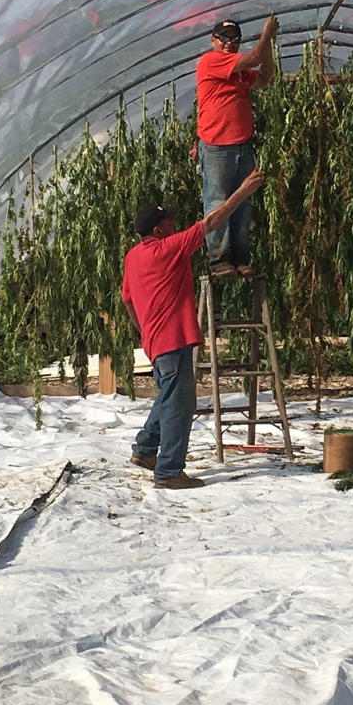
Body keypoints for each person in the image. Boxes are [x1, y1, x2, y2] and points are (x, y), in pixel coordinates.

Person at [122, 169, 265, 489]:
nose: (176, 226)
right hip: (172, 339)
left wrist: (144, 331)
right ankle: (169, 472)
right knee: (179, 404)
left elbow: (127, 300)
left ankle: (146, 450)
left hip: (156, 342)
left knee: (169, 396)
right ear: (158, 230)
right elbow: (210, 223)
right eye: (170, 224)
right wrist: (242, 191)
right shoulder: (168, 249)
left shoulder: (133, 257)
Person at [195, 15, 278, 278]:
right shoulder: (211, 61)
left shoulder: (239, 72)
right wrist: (266, 35)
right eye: (224, 38)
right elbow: (254, 58)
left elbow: (264, 78)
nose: (229, 43)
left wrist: (270, 47)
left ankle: (241, 258)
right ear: (213, 41)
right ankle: (219, 260)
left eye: (235, 39)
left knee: (242, 203)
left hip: (242, 144)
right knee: (218, 200)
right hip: (218, 146)